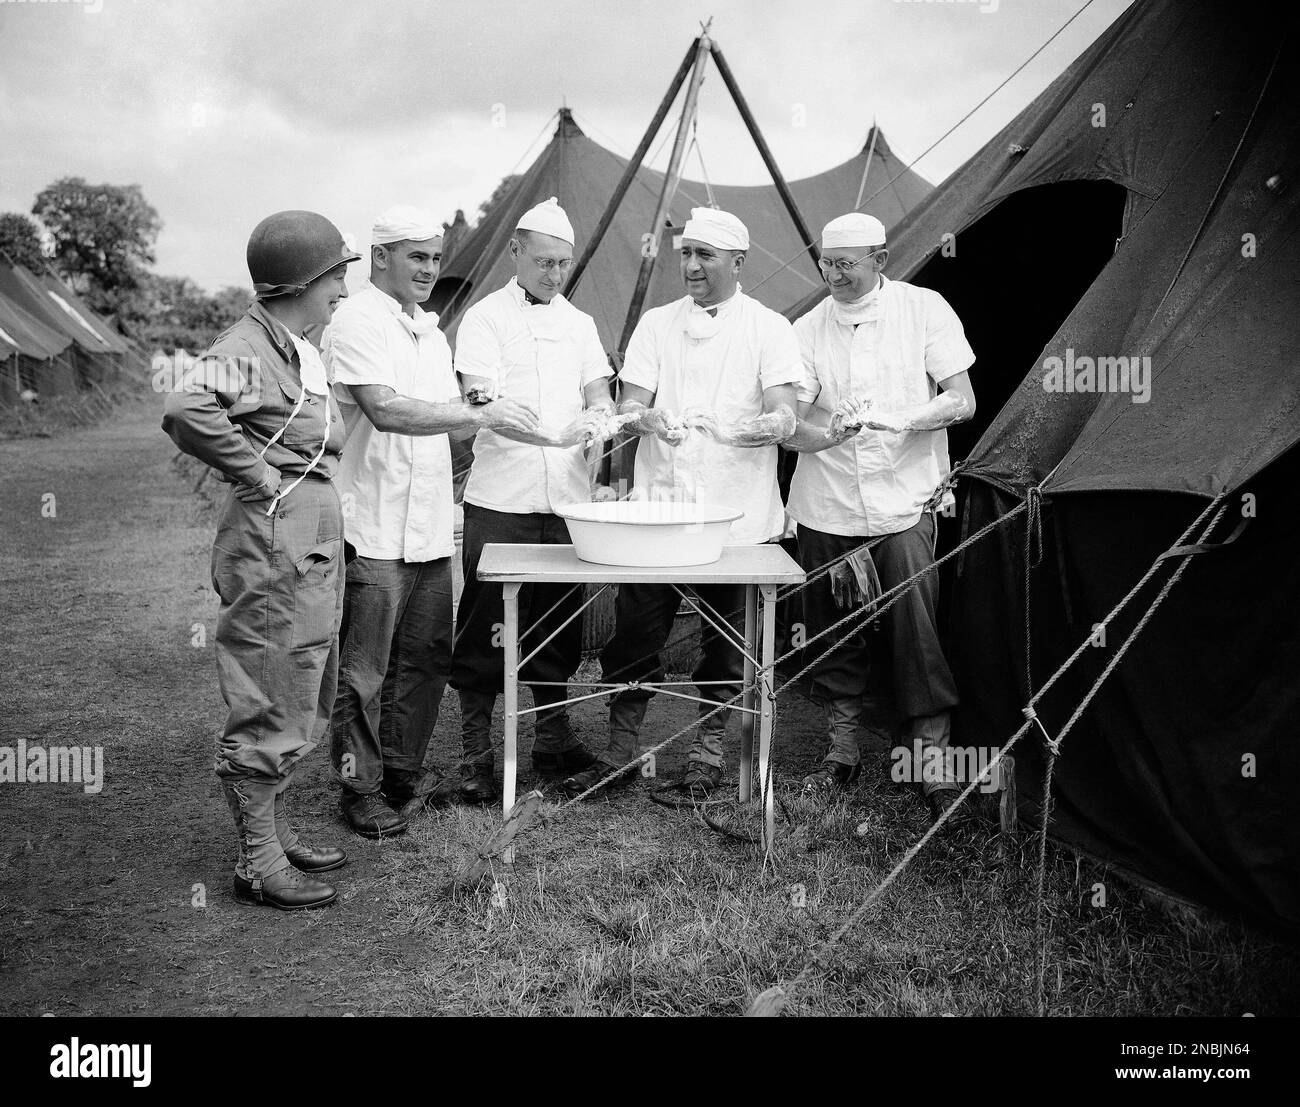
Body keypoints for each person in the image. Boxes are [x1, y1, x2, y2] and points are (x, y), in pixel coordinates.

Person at [563, 207, 804, 800]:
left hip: (738, 516)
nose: (691, 267)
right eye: (686, 255)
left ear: (738, 262)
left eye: (706, 256)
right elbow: (630, 404)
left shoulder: (769, 328)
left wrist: (734, 429)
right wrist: (650, 419)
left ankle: (708, 755)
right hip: (661, 513)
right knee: (635, 636)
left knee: (728, 645)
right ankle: (621, 754)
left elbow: (784, 415)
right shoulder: (656, 324)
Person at [162, 210, 361, 909]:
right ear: (302, 278)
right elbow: (187, 405)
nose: (343, 285)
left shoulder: (295, 343)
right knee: (273, 681)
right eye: (337, 273)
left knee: (303, 677)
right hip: (276, 534)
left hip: (307, 529)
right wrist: (254, 470)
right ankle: (257, 859)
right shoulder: (248, 343)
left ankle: (275, 831)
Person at [324, 206, 540, 838]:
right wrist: (484, 417)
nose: (429, 270)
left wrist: (501, 420)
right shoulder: (356, 321)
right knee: (365, 666)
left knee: (425, 658)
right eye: (416, 256)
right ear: (380, 256)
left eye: (435, 258)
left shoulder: (430, 330)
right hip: (372, 521)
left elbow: (449, 415)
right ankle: (357, 787)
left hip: (424, 526)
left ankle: (400, 776)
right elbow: (388, 412)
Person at [783, 212, 977, 823]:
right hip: (828, 501)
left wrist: (904, 419)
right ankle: (840, 753)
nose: (834, 275)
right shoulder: (808, 327)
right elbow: (795, 422)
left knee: (915, 630)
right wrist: (824, 434)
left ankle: (930, 762)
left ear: (881, 260)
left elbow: (962, 400)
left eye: (847, 264)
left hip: (903, 501)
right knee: (832, 626)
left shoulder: (925, 309)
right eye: (826, 264)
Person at [450, 197, 614, 802]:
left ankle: (553, 739)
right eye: (543, 260)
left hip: (565, 503)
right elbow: (481, 403)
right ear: (515, 251)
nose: (553, 273)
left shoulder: (580, 324)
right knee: (485, 623)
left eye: (563, 263)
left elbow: (599, 392)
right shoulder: (484, 319)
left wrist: (600, 420)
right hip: (502, 499)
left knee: (557, 623)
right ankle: (474, 752)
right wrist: (552, 433)